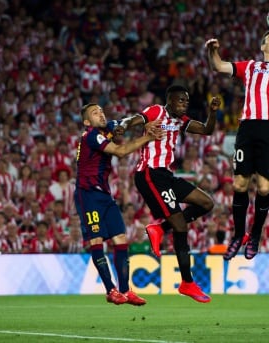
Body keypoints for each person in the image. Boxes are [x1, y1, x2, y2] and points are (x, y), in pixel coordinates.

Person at [205, 30, 269, 260]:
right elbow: (219, 66)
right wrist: (212, 51)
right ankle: (239, 235)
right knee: (239, 184)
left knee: (265, 188)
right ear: (262, 46)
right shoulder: (250, 66)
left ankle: (255, 235)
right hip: (247, 127)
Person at [123, 84, 221, 303]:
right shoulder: (156, 111)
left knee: (206, 203)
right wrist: (123, 124)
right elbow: (136, 119)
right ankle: (187, 283)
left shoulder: (181, 121)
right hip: (149, 174)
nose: (184, 104)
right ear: (170, 100)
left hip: (166, 176)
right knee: (181, 226)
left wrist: (213, 113)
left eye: (186, 101)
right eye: (180, 101)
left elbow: (207, 130)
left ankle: (159, 228)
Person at [74, 103, 163, 306]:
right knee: (96, 240)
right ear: (87, 121)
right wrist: (148, 137)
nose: (101, 114)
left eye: (101, 111)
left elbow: (126, 123)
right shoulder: (91, 135)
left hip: (104, 195)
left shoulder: (107, 129)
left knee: (121, 238)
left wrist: (147, 123)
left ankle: (125, 290)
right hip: (87, 195)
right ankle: (110, 290)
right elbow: (121, 151)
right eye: (95, 113)